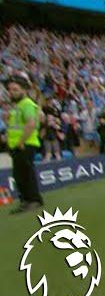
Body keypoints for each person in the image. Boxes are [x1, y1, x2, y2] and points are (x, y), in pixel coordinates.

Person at [3, 73, 44, 214]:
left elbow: (31, 124)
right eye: (10, 90)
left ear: (23, 90)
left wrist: (21, 142)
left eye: (15, 89)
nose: (11, 92)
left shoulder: (26, 104)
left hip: (25, 144)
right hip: (17, 145)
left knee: (25, 174)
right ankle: (26, 200)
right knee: (19, 175)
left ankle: (33, 200)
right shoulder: (18, 106)